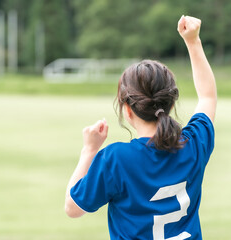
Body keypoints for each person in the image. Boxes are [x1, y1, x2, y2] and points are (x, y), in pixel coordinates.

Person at [65, 15, 217, 240]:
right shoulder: (193, 144)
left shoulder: (115, 159)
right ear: (171, 102)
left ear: (127, 110)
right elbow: (207, 96)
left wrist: (88, 150)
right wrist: (193, 41)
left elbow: (73, 207)